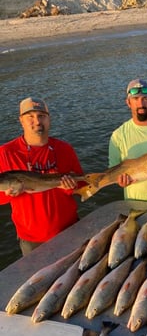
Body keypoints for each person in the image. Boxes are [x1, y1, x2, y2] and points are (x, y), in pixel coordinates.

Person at [0, 97, 84, 256]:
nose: (37, 121)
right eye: (30, 117)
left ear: (48, 119)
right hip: (32, 240)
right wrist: (8, 195)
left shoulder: (64, 149)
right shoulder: (5, 153)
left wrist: (70, 187)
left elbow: (82, 186)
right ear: (21, 121)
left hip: (70, 229)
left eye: (41, 116)